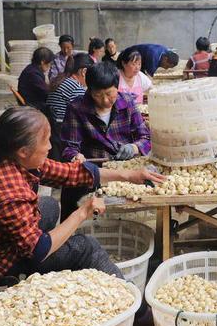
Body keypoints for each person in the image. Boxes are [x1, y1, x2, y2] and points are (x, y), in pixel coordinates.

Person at [0, 106, 164, 281]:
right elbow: (38, 250)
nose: (50, 146)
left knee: (48, 205)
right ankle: (135, 312)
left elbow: (69, 173)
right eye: (45, 141)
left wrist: (129, 174)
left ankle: (55, 267)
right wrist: (82, 213)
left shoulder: (9, 155)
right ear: (23, 151)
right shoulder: (7, 188)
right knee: (85, 247)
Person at [60, 62, 151, 219]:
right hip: (91, 171)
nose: (105, 100)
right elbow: (69, 147)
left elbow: (145, 137)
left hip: (123, 171)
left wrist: (134, 148)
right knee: (75, 206)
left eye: (110, 94)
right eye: (97, 95)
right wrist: (75, 156)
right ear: (89, 90)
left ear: (117, 86)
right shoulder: (76, 108)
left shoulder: (127, 103)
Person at [47, 53, 94, 123]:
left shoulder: (61, 80)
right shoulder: (76, 88)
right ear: (84, 72)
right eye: (91, 74)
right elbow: (84, 115)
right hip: (63, 128)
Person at [18, 47, 54, 112]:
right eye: (50, 63)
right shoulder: (33, 74)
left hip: (32, 100)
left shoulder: (31, 68)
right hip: (33, 104)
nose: (50, 66)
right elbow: (46, 93)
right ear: (43, 62)